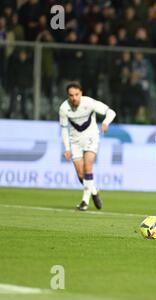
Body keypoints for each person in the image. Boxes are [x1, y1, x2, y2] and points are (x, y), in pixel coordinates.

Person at [59, 83, 116, 211]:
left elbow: (111, 112)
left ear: (81, 93)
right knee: (80, 175)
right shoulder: (64, 108)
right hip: (75, 142)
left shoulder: (89, 103)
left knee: (88, 166)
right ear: (68, 96)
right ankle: (94, 191)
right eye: (71, 95)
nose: (74, 98)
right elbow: (63, 129)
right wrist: (67, 148)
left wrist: (105, 123)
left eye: (76, 94)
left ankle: (85, 201)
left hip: (91, 137)